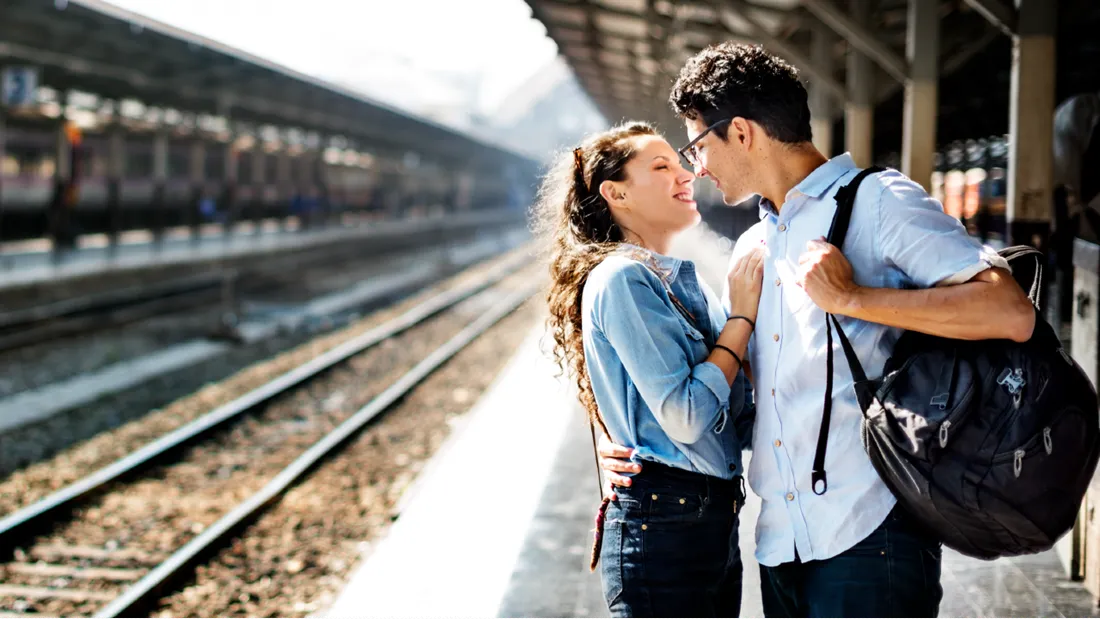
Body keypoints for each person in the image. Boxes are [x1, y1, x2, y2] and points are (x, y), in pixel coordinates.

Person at [596, 42, 1036, 618]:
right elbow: (741, 391)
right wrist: (622, 441)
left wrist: (854, 298)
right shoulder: (755, 245)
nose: (696, 166)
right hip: (780, 542)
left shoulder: (879, 202)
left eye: (699, 145)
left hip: (869, 531)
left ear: (743, 133)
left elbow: (1009, 311)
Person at [533, 121, 763, 617]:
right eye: (662, 167)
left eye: (682, 163)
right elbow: (685, 415)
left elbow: (731, 411)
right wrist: (742, 319)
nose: (686, 174)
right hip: (665, 527)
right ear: (616, 193)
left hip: (702, 522)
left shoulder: (675, 282)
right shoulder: (623, 277)